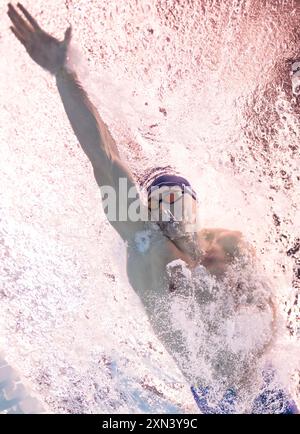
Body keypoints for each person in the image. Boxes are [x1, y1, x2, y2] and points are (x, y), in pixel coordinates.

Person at [7, 3, 298, 414]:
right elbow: (105, 161)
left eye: (178, 200)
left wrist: (251, 326)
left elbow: (270, 321)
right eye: (160, 203)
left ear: (195, 206)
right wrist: (64, 75)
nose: (171, 212)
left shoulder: (229, 244)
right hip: (222, 400)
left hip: (265, 383)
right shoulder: (147, 251)